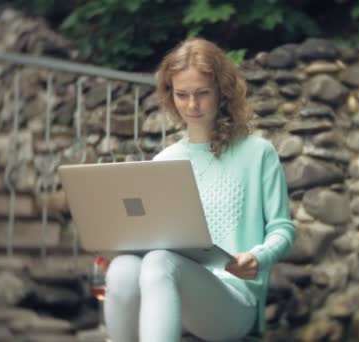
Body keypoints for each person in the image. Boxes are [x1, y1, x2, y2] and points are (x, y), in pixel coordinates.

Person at [104, 38, 295, 342]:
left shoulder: (258, 153)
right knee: (123, 268)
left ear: (222, 92)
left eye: (202, 94)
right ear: (171, 95)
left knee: (159, 261)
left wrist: (259, 257)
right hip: (168, 293)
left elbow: (283, 229)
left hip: (234, 298)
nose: (191, 105)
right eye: (182, 95)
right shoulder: (164, 161)